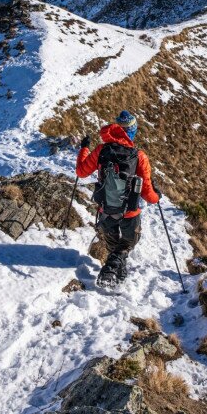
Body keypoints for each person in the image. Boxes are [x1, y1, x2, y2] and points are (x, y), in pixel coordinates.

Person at [76, 110, 160, 288]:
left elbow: (81, 172)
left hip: (106, 210)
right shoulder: (139, 156)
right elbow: (148, 194)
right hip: (129, 211)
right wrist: (157, 194)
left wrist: (84, 148)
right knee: (128, 243)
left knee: (113, 246)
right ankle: (112, 269)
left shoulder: (101, 150)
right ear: (132, 131)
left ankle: (118, 276)